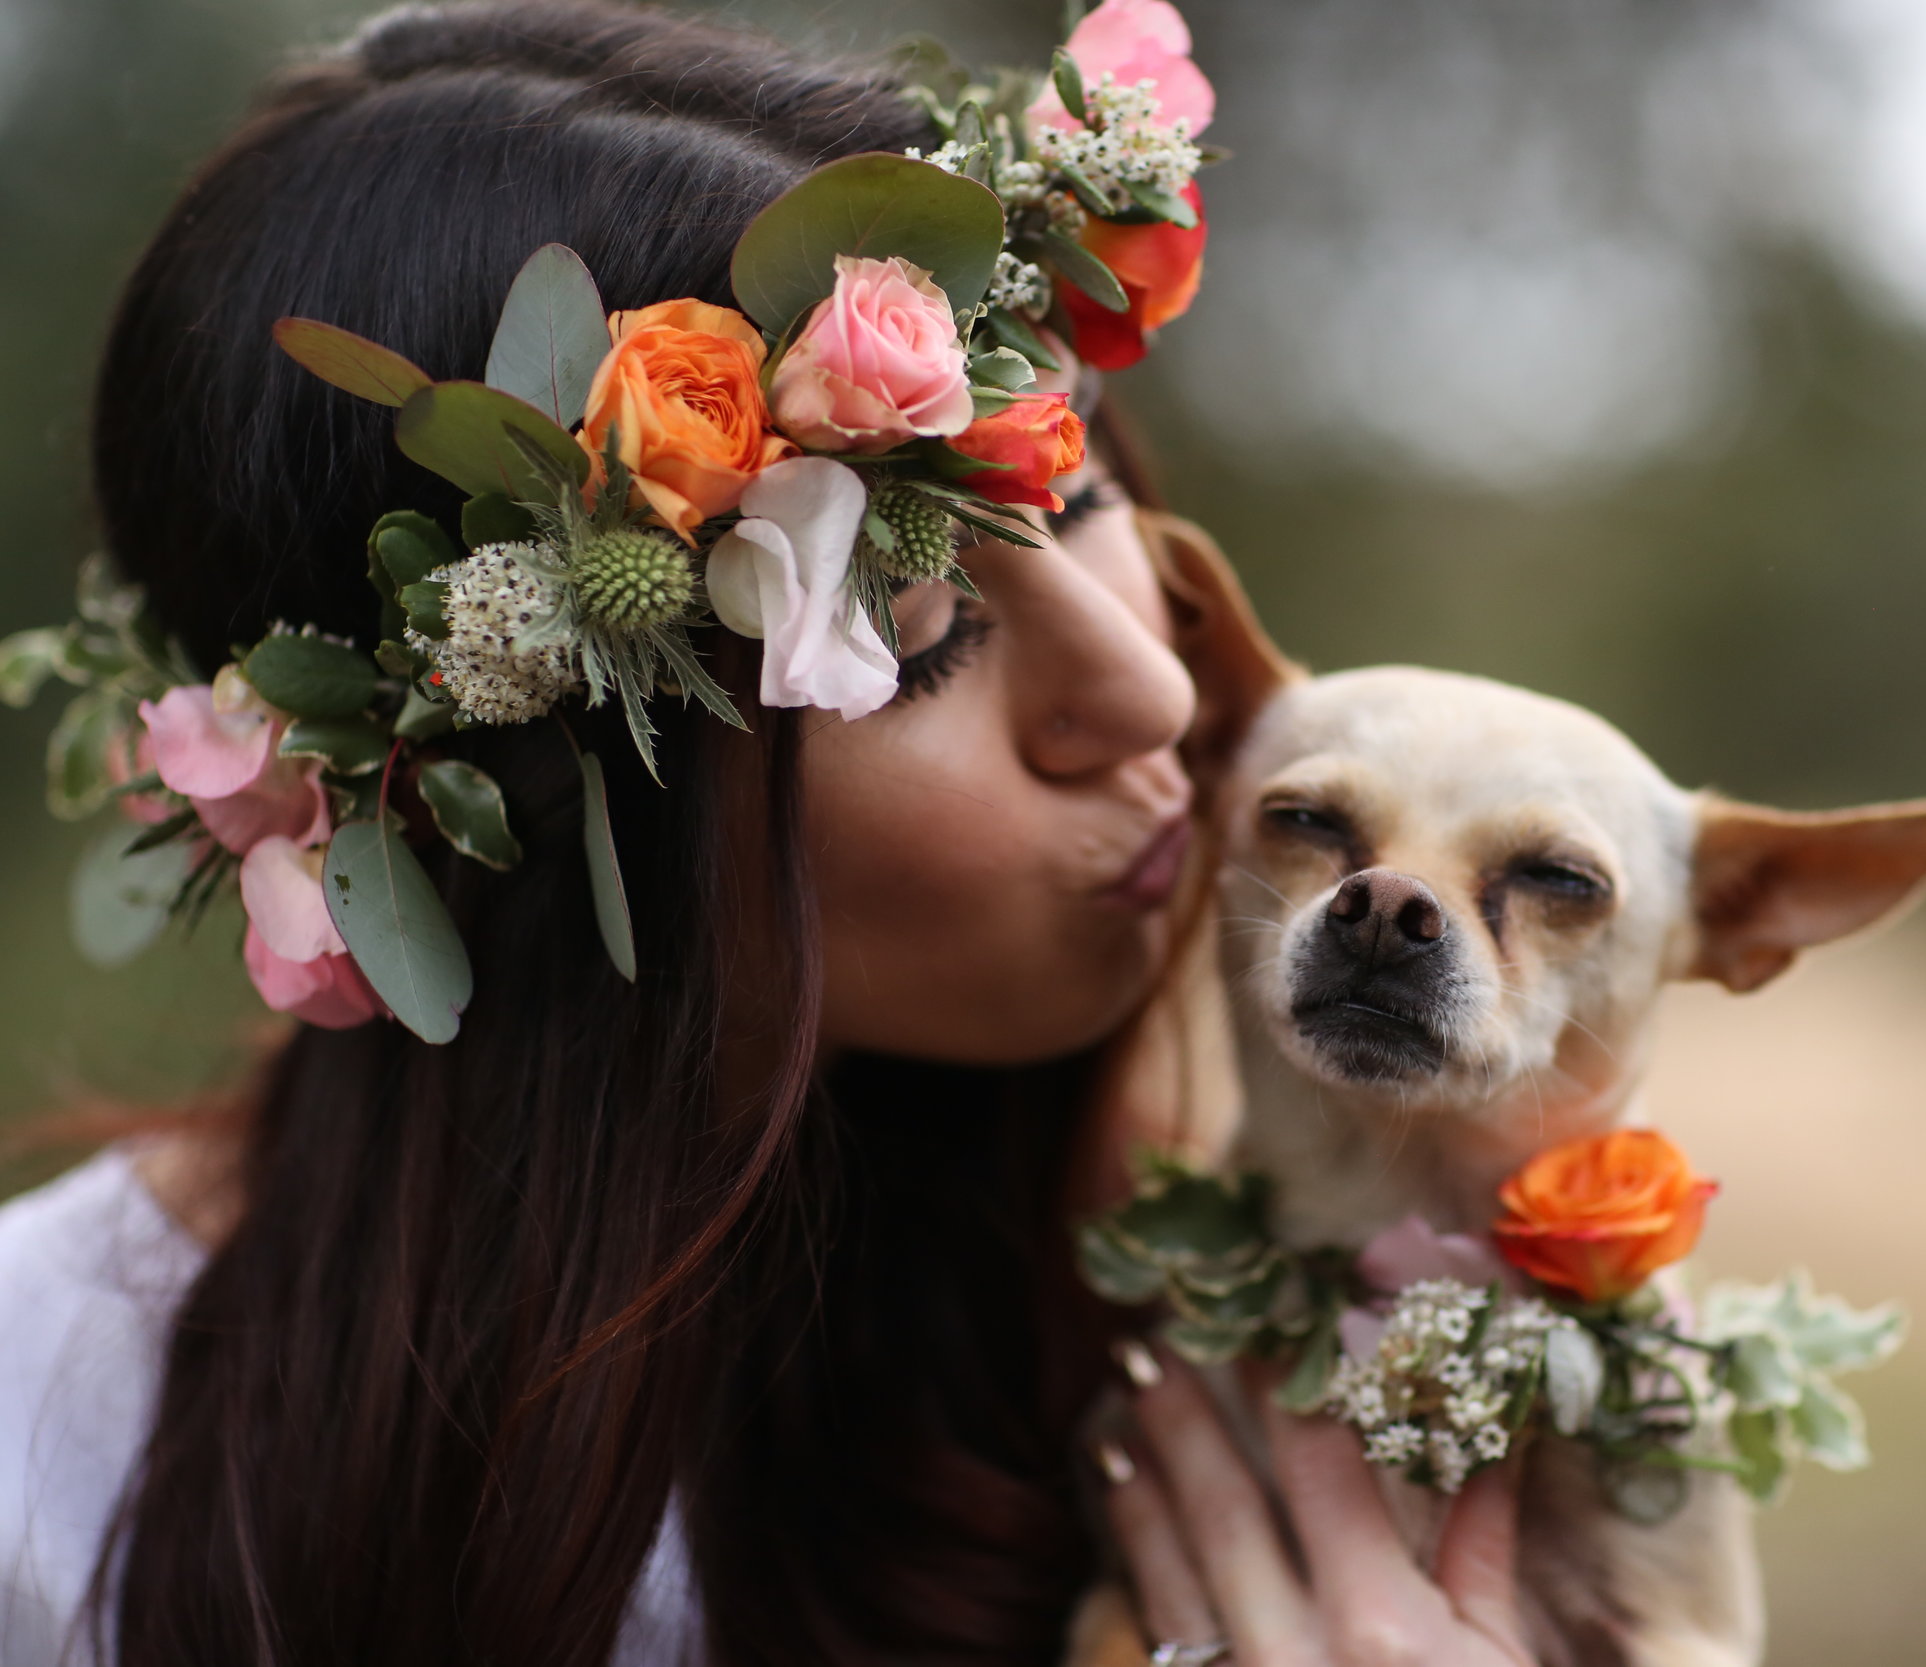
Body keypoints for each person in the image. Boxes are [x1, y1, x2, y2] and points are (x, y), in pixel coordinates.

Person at [0, 3, 1543, 1662]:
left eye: (1078, 496)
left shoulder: (1307, 1336)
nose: (1153, 689)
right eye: (919, 630)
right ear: (500, 795)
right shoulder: (48, 1446)